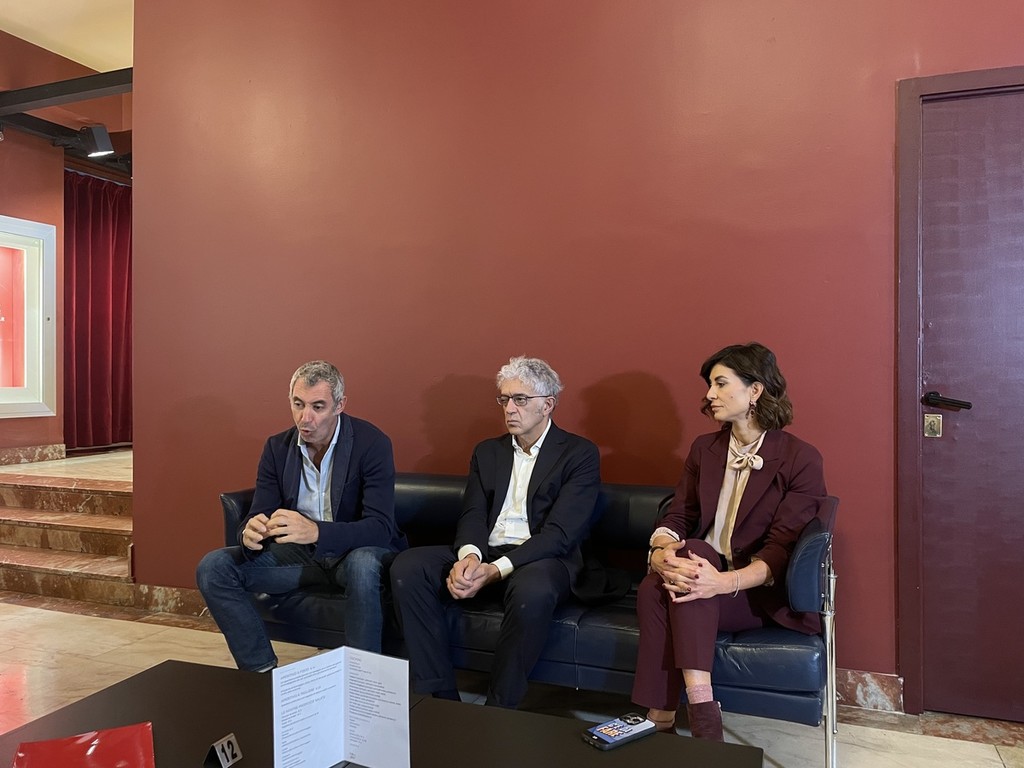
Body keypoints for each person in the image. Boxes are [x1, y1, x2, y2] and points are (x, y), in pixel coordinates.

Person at [631, 343, 827, 740]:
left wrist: (722, 582)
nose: (709, 394)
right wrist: (659, 552)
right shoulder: (704, 449)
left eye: (720, 383)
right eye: (709, 385)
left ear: (755, 390)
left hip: (752, 592)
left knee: (670, 580)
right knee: (666, 576)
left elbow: (781, 549)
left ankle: (669, 716)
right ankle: (692, 713)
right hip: (696, 574)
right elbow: (679, 516)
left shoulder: (801, 458)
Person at [390, 356, 601, 708]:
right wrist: (470, 557)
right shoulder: (488, 452)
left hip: (542, 558)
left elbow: (559, 535)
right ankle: (441, 697)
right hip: (488, 551)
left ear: (547, 405)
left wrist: (494, 570)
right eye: (504, 399)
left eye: (520, 399)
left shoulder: (578, 453)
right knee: (408, 566)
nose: (509, 409)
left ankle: (500, 707)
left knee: (533, 588)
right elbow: (473, 513)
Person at [196, 360, 406, 671]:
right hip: (301, 557)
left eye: (318, 407)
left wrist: (317, 532)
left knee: (363, 565)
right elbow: (260, 512)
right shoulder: (277, 447)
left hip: (354, 553)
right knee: (213, 567)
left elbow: (379, 528)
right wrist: (249, 532)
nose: (305, 418)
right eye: (298, 404)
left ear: (339, 405)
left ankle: (361, 678)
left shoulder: (371, 443)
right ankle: (261, 672)